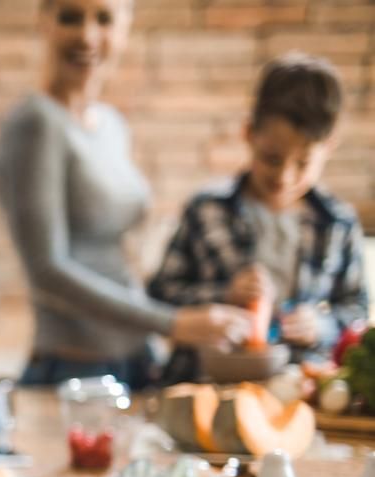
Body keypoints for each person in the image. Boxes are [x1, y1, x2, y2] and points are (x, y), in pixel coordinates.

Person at [0, 0, 253, 390]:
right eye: (70, 17)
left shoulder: (111, 124)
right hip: (75, 372)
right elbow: (46, 272)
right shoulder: (36, 123)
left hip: (137, 360)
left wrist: (209, 296)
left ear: (125, 28)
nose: (87, 35)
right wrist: (175, 324)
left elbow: (118, 256)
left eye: (104, 19)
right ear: (43, 22)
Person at [147, 52, 368, 382]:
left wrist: (321, 326)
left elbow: (357, 310)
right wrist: (223, 293)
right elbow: (158, 297)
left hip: (294, 390)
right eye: (272, 158)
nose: (285, 176)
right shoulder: (206, 209)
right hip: (205, 384)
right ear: (249, 133)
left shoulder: (339, 224)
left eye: (303, 163)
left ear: (329, 148)